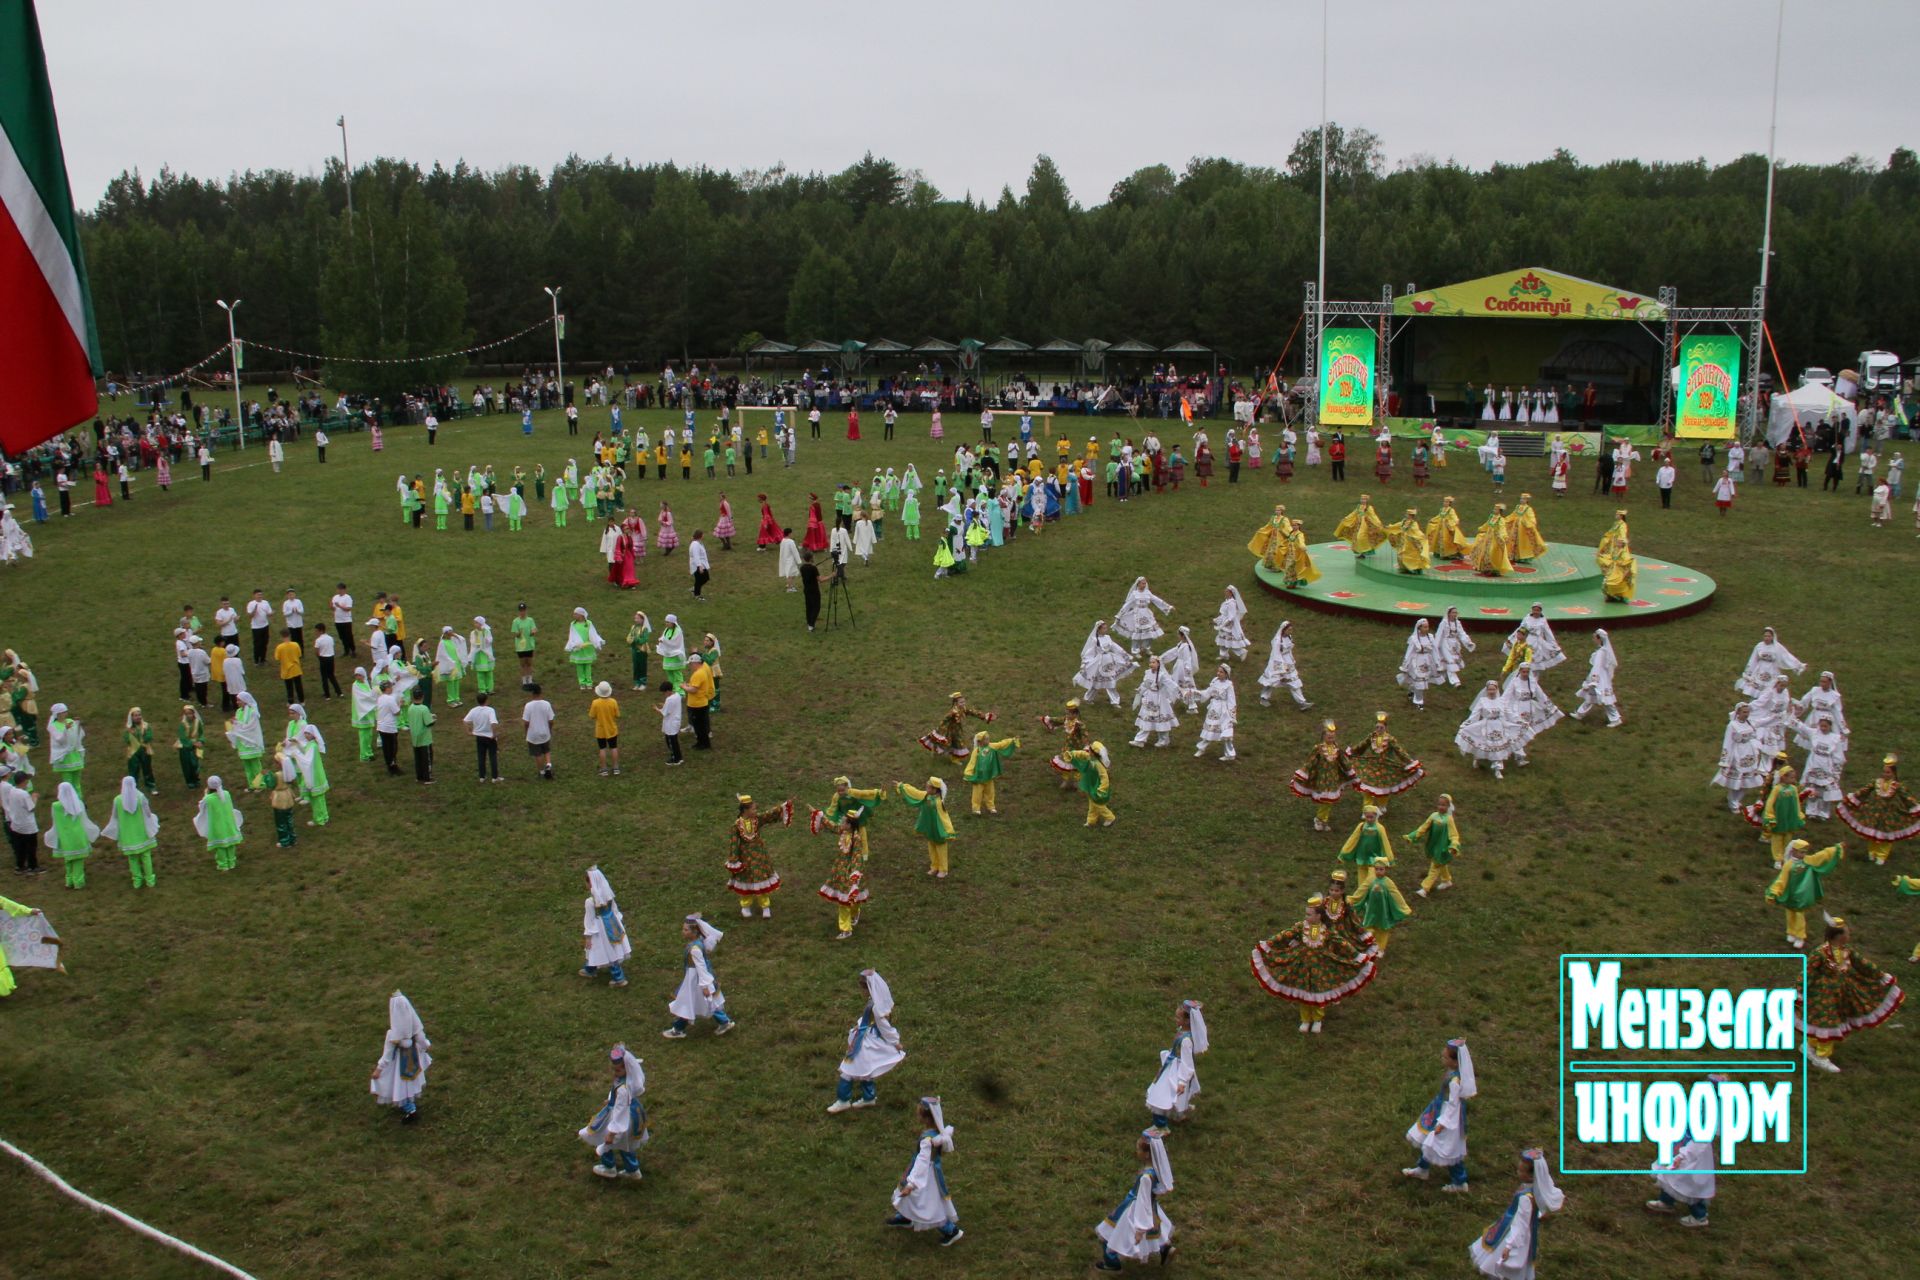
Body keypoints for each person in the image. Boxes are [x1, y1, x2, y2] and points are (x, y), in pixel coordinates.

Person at [1249, 895, 1376, 1031]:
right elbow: (1285, 934)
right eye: (1306, 914)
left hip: (1320, 967)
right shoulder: (1300, 927)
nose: (1306, 917)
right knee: (1304, 993)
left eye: (1309, 914)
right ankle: (1305, 1019)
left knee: (1318, 993)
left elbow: (1342, 943)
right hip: (1302, 965)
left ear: (1318, 916)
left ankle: (1317, 1020)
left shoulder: (1327, 931)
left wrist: (1357, 956)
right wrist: (1268, 944)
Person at [1799, 919, 1904, 1073]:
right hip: (1822, 996)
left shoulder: (1846, 951)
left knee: (1826, 1022)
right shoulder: (1820, 953)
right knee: (1827, 1023)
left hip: (1840, 994)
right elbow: (1808, 972)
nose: (1849, 934)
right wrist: (1800, 990)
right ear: (1838, 936)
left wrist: (1880, 975)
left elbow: (1863, 964)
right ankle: (1821, 1056)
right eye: (1847, 932)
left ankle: (1810, 1046)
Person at [1471, 1149, 1565, 1279]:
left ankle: (1503, 1273)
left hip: (1514, 1231)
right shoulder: (1533, 1189)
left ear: (1531, 1175)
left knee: (1507, 1256)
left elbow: (1521, 1224)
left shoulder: (1526, 1197)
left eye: (1521, 1171)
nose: (1518, 1172)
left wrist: (1509, 1245)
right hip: (1515, 1225)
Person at [1402, 1038, 1476, 1190]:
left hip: (1449, 1119)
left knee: (1450, 1150)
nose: (1443, 1059)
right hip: (1439, 1110)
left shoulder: (1455, 1081)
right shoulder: (1452, 1073)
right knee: (1427, 1141)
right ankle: (1422, 1169)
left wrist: (1442, 1123)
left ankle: (1460, 1182)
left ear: (1455, 1062)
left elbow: (1453, 1105)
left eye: (1445, 1057)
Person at [1094, 1131, 1173, 1271]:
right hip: (1150, 1205)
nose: (1137, 1152)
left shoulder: (1146, 1177)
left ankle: (1111, 1263)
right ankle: (1165, 1247)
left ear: (1147, 1154)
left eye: (1138, 1149)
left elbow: (1142, 1201)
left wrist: (1140, 1229)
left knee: (1108, 1232)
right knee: (1155, 1230)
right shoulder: (1156, 1171)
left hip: (1133, 1208)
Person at [1645, 1083, 1719, 1228]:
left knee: (1691, 1185)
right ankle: (1666, 1201)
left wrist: (1683, 1155)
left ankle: (1699, 1215)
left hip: (1693, 1158)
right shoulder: (1699, 1107)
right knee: (1668, 1174)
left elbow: (1700, 1142)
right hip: (1680, 1147)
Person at [829, 969, 905, 1110]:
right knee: (864, 1069)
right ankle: (868, 1097)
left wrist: (895, 1042)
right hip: (864, 1039)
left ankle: (843, 1100)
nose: (861, 992)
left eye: (862, 988)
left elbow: (884, 1027)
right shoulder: (874, 1002)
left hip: (866, 1043)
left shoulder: (876, 1007)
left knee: (847, 1070)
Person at [579, 1044, 649, 1179]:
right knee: (625, 1144)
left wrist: (612, 1132)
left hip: (623, 1117)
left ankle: (609, 1166)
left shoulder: (623, 1089)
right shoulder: (628, 1081)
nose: (614, 1073)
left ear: (626, 1068)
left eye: (617, 1070)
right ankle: (632, 1169)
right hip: (633, 1113)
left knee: (602, 1136)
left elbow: (620, 1113)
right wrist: (611, 1099)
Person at [1838, 753, 1920, 865]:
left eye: (1888, 772)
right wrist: (1852, 799)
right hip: (1874, 811)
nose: (1885, 774)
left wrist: (1916, 807)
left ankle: (1881, 855)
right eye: (1884, 772)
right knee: (1873, 833)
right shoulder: (1876, 782)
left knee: (1886, 835)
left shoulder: (1897, 786)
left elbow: (1907, 798)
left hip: (1889, 814)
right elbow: (1864, 791)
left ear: (1893, 773)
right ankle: (1872, 852)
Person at [664, 913, 734, 1037]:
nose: (683, 932)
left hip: (696, 979)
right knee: (690, 1002)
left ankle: (679, 1029)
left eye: (686, 930)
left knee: (694, 1002)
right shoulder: (699, 942)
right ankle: (678, 1028)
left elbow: (701, 968)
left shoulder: (695, 949)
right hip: (694, 978)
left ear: (694, 932)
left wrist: (705, 986)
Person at [1143, 1000, 1208, 1131]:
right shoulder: (1182, 1032)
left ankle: (1160, 1126)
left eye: (1178, 1017)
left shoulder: (1186, 1041)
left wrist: (1182, 1081)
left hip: (1176, 1071)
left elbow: (1187, 1062)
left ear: (1187, 1021)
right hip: (1172, 1066)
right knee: (1175, 1095)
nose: (1175, 1019)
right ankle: (1178, 1113)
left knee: (1160, 1094)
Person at [369, 992, 431, 1124]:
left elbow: (387, 1055)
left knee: (399, 1086)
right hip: (414, 1062)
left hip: (398, 1067)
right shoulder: (415, 1030)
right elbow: (423, 1042)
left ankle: (410, 1110)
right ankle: (411, 1106)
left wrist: (378, 1070)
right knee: (410, 1084)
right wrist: (425, 1047)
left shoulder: (393, 1035)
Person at [579, 866, 632, 986]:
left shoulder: (590, 902)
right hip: (613, 923)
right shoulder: (608, 897)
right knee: (608, 948)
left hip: (600, 929)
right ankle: (590, 969)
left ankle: (619, 978)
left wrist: (588, 936)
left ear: (590, 883)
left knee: (604, 950)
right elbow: (615, 910)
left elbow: (589, 920)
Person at [44, 782, 98, 889]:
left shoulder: (55, 806)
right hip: (78, 836)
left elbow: (54, 821)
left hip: (64, 836)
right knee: (78, 860)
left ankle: (69, 881)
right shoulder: (79, 803)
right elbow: (84, 820)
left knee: (68, 859)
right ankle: (78, 882)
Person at [1407, 794, 1463, 897]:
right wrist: (1413, 836)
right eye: (1439, 804)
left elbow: (1454, 834)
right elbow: (1423, 827)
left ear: (1448, 806)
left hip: (1443, 848)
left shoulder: (1449, 819)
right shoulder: (1433, 816)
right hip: (1434, 845)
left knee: (1435, 866)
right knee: (1441, 864)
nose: (1441, 807)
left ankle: (1425, 889)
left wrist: (1454, 845)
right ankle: (1447, 881)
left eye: (1444, 805)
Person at [961, 730, 1019, 816]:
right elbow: (972, 762)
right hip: (979, 777)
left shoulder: (992, 746)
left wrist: (1011, 740)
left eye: (988, 738)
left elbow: (1001, 744)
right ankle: (976, 808)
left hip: (989, 776)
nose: (988, 740)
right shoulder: (976, 751)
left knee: (990, 792)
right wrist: (968, 773)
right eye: (986, 739)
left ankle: (991, 807)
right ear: (980, 742)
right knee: (977, 793)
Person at [192, 776, 245, 871]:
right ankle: (231, 862)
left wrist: (205, 794)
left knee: (220, 847)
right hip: (229, 823)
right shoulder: (226, 794)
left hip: (217, 826)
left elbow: (201, 806)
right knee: (230, 844)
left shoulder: (208, 799)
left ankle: (223, 865)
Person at [1112, 577, 1173, 656]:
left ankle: (1146, 647)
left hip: (1147, 614)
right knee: (1137, 633)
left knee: (1150, 632)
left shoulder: (1147, 593)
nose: (1144, 585)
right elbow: (1127, 605)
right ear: (1138, 584)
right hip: (1138, 615)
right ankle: (1135, 650)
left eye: (1145, 583)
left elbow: (1156, 599)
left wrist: (1168, 606)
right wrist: (1119, 615)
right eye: (1142, 583)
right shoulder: (1134, 594)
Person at [2, 773, 39, 875]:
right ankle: (33, 867)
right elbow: (31, 808)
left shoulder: (12, 791)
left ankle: (20, 866)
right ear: (24, 781)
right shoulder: (24, 794)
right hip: (28, 826)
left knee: (20, 848)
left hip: (16, 825)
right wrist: (34, 798)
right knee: (31, 847)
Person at [564, 607, 604, 691]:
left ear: (581, 615)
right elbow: (572, 635)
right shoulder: (573, 624)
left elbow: (593, 633)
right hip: (579, 648)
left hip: (587, 648)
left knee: (588, 666)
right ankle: (582, 683)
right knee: (579, 666)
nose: (574, 615)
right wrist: (574, 644)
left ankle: (589, 683)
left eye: (575, 614)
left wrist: (597, 641)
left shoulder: (589, 623)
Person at [589, 681, 621, 777]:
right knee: (613, 747)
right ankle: (616, 768)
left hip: (600, 730)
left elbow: (592, 716)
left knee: (602, 749)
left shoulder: (595, 703)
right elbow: (617, 715)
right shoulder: (613, 702)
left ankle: (604, 769)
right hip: (612, 729)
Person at [688, 529, 712, 598]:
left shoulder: (698, 543)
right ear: (700, 536)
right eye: (703, 534)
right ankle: (697, 595)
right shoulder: (695, 544)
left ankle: (695, 589)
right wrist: (699, 566)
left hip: (701, 565)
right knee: (699, 580)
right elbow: (696, 556)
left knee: (706, 578)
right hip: (698, 565)